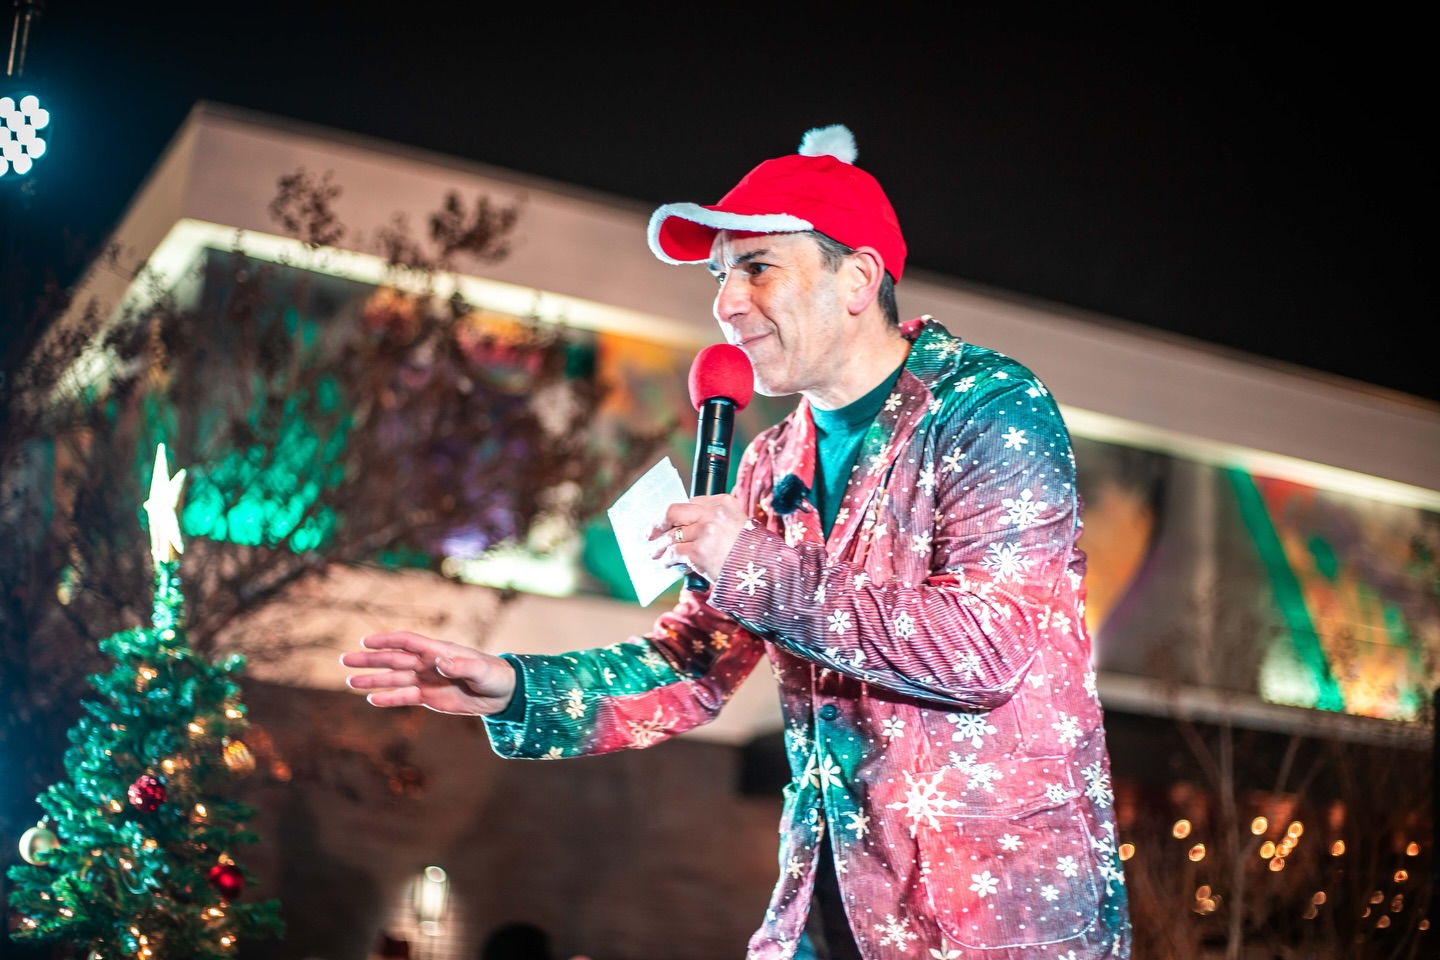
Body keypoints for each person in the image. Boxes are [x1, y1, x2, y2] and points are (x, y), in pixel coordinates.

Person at [343, 124, 1131, 959]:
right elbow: (695, 667)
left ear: (858, 278)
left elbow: (984, 651)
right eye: (721, 276)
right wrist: (513, 688)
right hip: (826, 907)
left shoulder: (987, 411)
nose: (724, 301)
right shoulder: (766, 461)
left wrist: (748, 562)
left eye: (757, 268)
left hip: (990, 922)